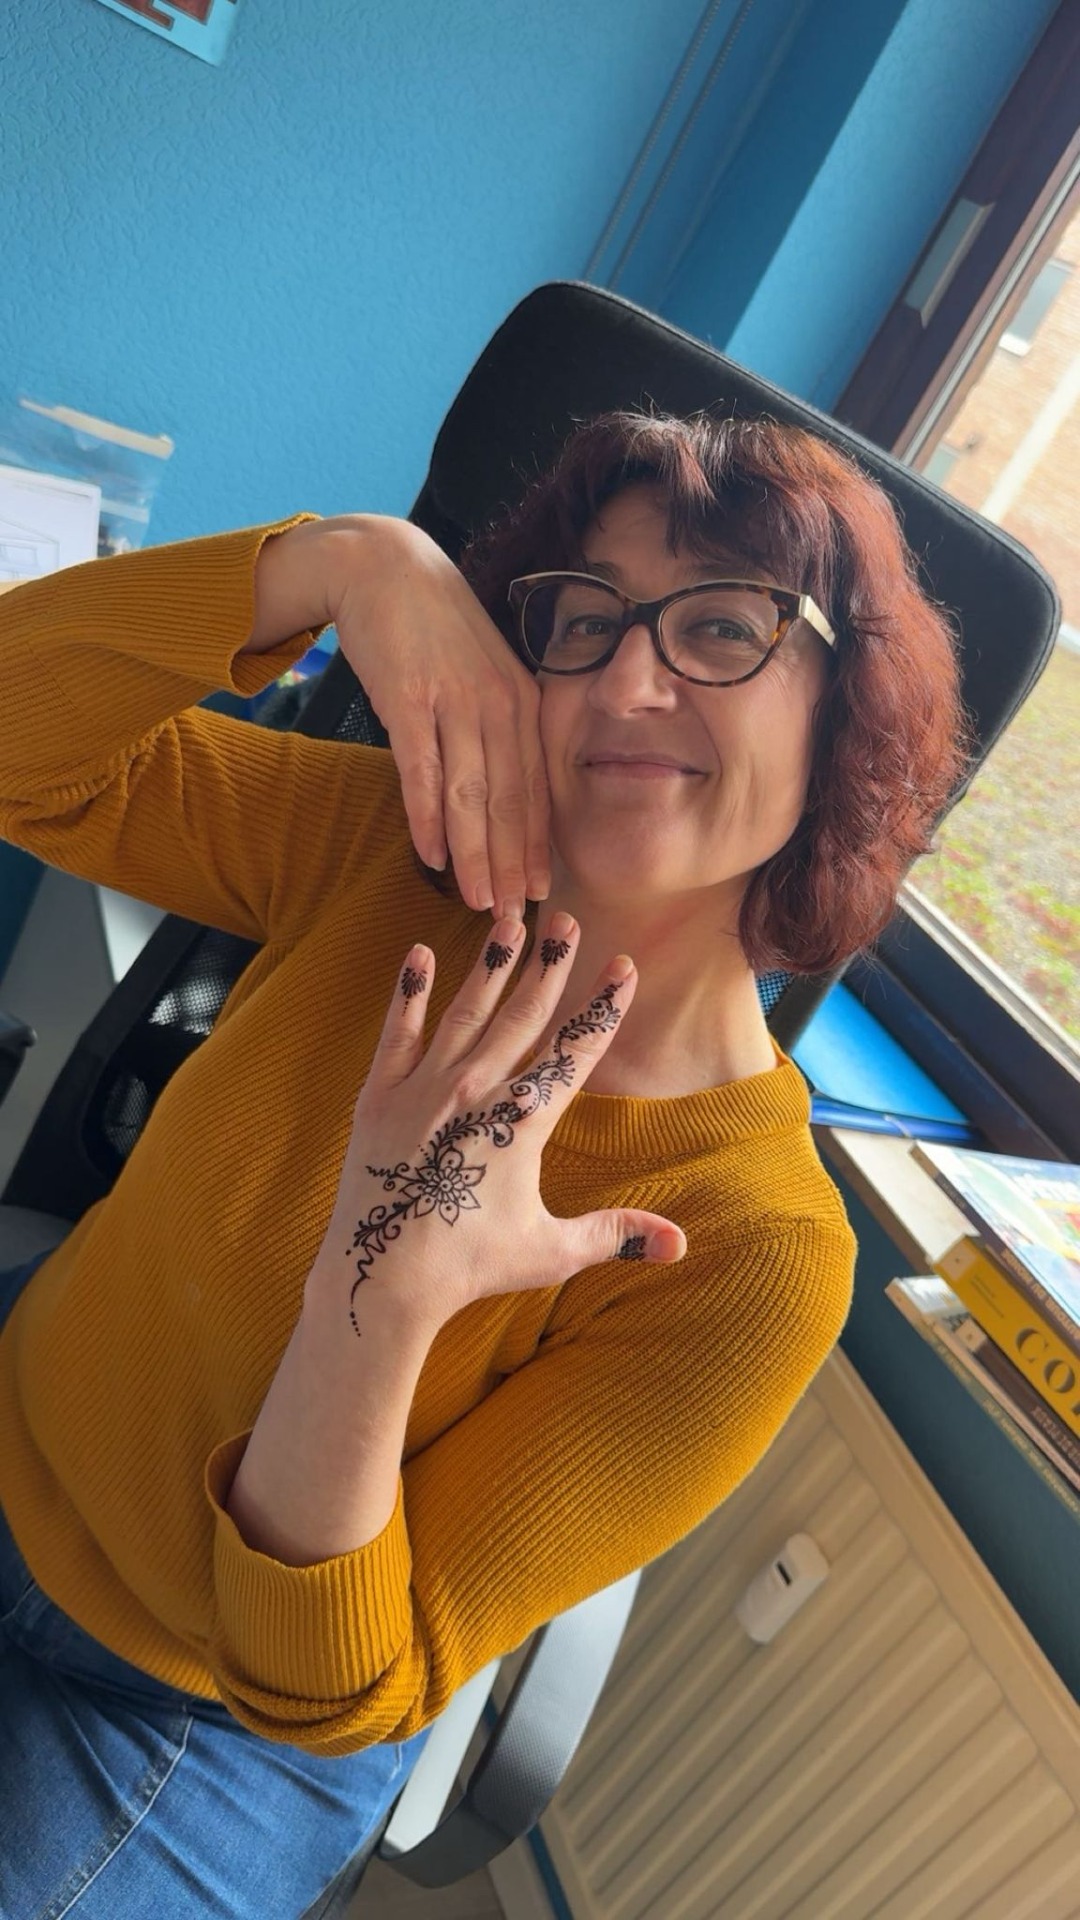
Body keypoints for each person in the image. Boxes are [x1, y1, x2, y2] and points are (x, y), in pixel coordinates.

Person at [0, 409, 968, 1916]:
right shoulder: (392, 856)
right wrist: (349, 563)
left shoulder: (753, 1254)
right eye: (584, 621)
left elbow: (329, 1681)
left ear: (848, 721)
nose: (629, 682)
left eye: (724, 625)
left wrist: (383, 1285)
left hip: (187, 1716)